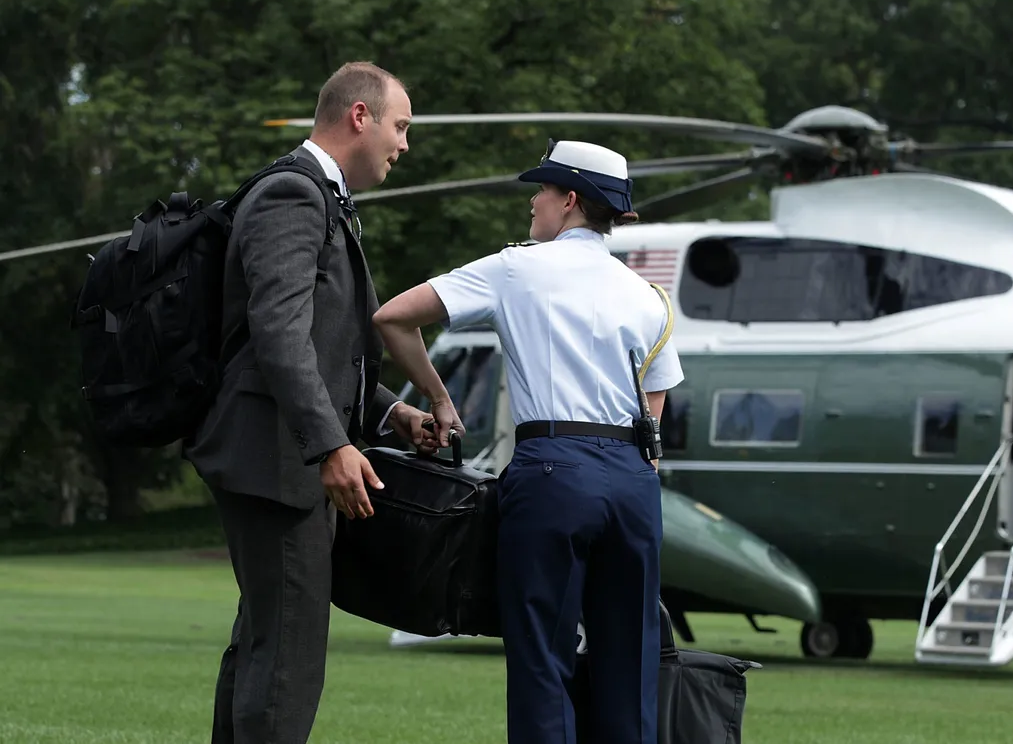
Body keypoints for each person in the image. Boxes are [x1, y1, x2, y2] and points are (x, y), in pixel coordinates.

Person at [371, 139, 684, 743]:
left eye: (542, 190)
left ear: (570, 200)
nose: (533, 202)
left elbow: (393, 317)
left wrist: (439, 399)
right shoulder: (650, 297)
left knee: (543, 658)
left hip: (553, 472)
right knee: (631, 664)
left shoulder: (514, 269)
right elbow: (654, 413)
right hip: (634, 481)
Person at [184, 62, 440, 743]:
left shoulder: (317, 196)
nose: (404, 143)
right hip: (275, 462)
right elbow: (277, 334)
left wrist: (390, 413)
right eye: (400, 126)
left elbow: (321, 350)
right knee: (286, 658)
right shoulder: (292, 195)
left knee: (266, 644)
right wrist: (330, 444)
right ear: (360, 116)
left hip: (279, 455)